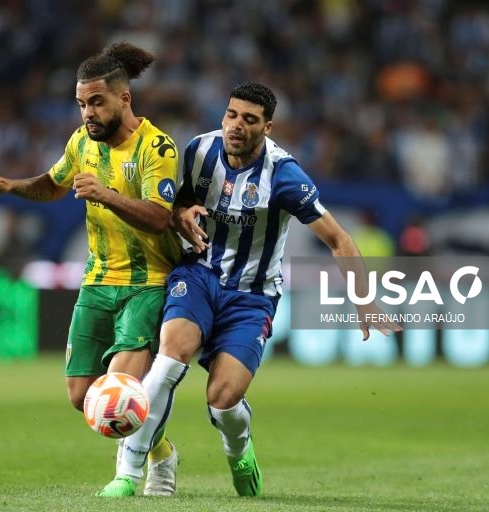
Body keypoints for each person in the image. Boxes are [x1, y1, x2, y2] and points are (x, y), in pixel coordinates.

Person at [98, 81, 402, 497]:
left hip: (252, 295)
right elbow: (172, 206)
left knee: (222, 399)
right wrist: (183, 213)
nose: (236, 126)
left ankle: (239, 450)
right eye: (231, 115)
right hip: (199, 275)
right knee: (170, 357)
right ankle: (129, 475)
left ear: (268, 127)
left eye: (249, 120)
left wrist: (364, 301)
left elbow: (339, 239)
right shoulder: (199, 151)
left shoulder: (285, 175)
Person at [0, 42, 183, 496]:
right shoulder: (80, 143)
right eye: (81, 104)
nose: (87, 112)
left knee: (121, 387)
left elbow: (160, 216)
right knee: (81, 397)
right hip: (96, 282)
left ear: (123, 99)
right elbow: (53, 185)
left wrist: (106, 194)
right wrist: (11, 186)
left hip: (146, 283)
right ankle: (163, 448)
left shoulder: (157, 146)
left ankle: (128, 477)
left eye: (96, 102)